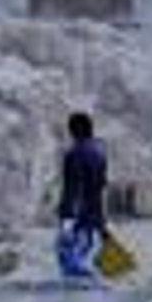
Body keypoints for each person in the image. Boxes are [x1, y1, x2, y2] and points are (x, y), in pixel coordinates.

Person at [56, 110, 108, 280]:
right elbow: (99, 189)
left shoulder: (74, 154)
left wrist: (68, 221)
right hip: (93, 218)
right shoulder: (99, 154)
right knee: (85, 261)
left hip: (76, 218)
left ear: (74, 130)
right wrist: (101, 225)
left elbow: (73, 188)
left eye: (70, 129)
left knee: (70, 266)